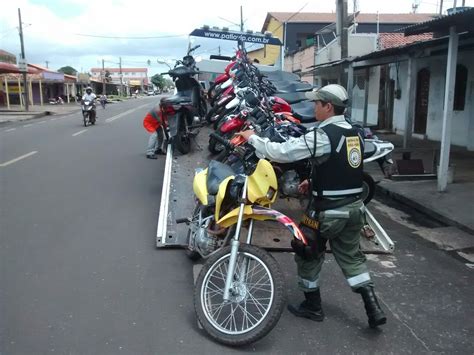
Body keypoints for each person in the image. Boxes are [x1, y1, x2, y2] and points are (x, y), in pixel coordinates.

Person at [237, 84, 387, 329]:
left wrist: (251, 137)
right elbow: (342, 167)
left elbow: (281, 152)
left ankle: (312, 306)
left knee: (307, 253)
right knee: (352, 258)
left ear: (328, 107)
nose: (313, 108)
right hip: (355, 209)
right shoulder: (354, 132)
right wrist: (314, 180)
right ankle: (373, 309)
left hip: (326, 212)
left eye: (316, 104)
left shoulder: (322, 135)